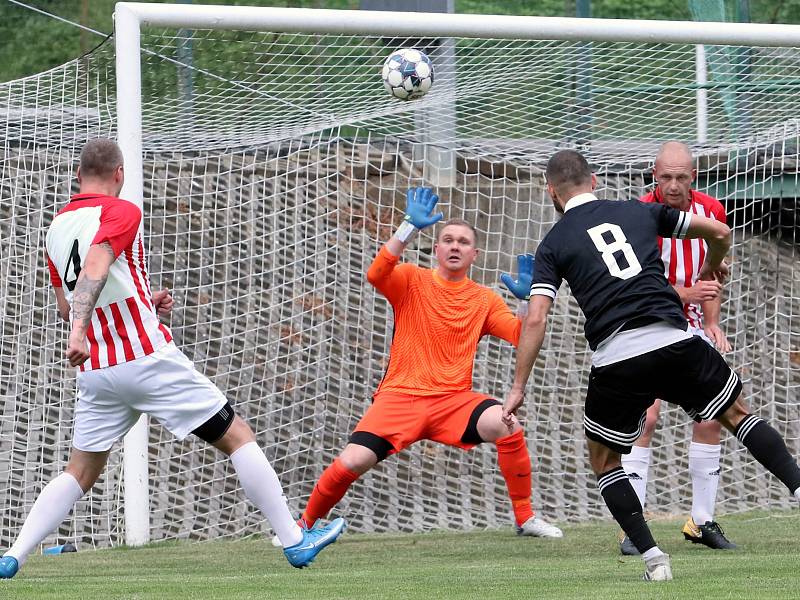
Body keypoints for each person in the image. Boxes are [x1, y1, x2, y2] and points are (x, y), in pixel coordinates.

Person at [0, 138, 344, 579]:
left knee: (80, 470)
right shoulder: (119, 211)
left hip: (99, 372)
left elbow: (68, 301)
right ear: (119, 174)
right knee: (237, 435)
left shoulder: (57, 227)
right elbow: (96, 270)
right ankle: (295, 541)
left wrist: (142, 301)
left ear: (78, 176)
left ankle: (13, 554)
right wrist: (79, 332)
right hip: (145, 359)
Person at [503, 149, 800, 581]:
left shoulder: (554, 242)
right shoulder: (636, 211)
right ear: (596, 181)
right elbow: (719, 230)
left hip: (617, 357)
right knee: (736, 414)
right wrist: (715, 265)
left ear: (552, 191)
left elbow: (536, 317)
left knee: (605, 460)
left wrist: (517, 386)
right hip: (674, 339)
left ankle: (653, 557)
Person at [289, 186, 562, 539]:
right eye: (447, 239)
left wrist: (526, 302)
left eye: (463, 242)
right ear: (436, 249)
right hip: (400, 398)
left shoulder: (484, 299)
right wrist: (407, 228)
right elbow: (375, 274)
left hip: (453, 402)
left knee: (507, 424)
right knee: (353, 461)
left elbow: (519, 335)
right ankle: (302, 526)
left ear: (474, 254)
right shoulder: (410, 278)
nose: (454, 246)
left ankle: (525, 518)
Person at [619, 141, 735, 554]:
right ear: (653, 176)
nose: (672, 184)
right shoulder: (636, 217)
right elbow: (635, 288)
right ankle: (633, 528)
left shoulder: (712, 212)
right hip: (646, 324)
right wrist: (687, 292)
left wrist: (714, 322)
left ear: (693, 178)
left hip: (690, 328)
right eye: (664, 176)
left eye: (680, 177)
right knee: (644, 419)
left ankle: (701, 521)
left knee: (712, 416)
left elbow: (714, 272)